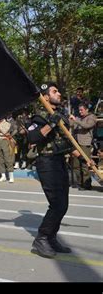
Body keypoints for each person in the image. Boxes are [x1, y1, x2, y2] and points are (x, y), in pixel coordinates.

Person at [27, 82, 94, 258]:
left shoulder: (62, 116)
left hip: (60, 162)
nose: (59, 94)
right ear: (46, 96)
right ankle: (41, 239)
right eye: (54, 91)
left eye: (58, 91)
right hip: (46, 163)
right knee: (57, 204)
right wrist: (50, 124)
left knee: (63, 205)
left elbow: (66, 144)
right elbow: (32, 137)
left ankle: (51, 238)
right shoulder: (39, 116)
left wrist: (83, 159)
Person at [69, 103, 97, 190]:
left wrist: (76, 120)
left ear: (86, 110)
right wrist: (70, 120)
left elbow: (87, 126)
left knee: (85, 164)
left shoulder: (91, 117)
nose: (80, 112)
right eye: (79, 110)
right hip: (76, 143)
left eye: (82, 110)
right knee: (76, 164)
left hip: (85, 143)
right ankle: (79, 183)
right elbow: (72, 125)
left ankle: (86, 184)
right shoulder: (79, 118)